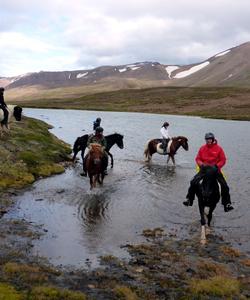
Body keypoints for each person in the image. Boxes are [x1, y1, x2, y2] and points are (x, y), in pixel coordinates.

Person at [184, 132, 234, 212]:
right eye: (207, 139)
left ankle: (227, 204)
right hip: (204, 169)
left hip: (215, 170)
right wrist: (201, 164)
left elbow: (223, 160)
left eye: (210, 139)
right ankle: (189, 199)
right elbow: (198, 158)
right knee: (193, 182)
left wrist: (217, 166)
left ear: (213, 139)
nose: (208, 141)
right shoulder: (202, 148)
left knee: (224, 185)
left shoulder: (219, 148)